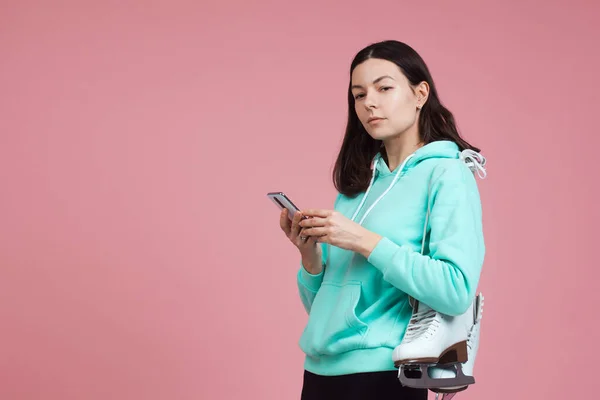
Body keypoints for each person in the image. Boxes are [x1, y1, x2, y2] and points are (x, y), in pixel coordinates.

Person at [278, 40, 486, 400]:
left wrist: (364, 241)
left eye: (384, 88)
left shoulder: (448, 174)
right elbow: (326, 311)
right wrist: (310, 259)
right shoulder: (358, 185)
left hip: (383, 377)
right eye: (358, 94)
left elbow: (455, 291)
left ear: (420, 93)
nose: (369, 102)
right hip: (319, 373)